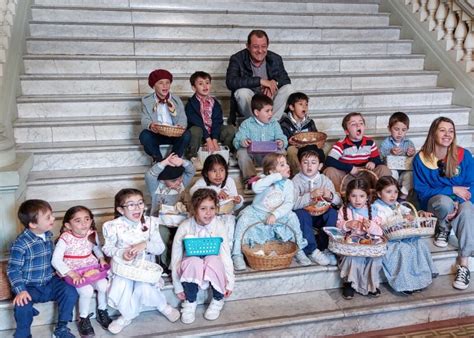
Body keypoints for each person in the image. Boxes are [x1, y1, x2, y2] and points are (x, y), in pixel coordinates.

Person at [102, 188, 180, 334]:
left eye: (140, 203)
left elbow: (159, 248)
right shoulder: (112, 226)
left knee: (143, 286)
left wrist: (145, 245)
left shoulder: (150, 223)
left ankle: (163, 306)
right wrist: (121, 252)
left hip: (145, 267)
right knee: (124, 285)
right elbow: (107, 248)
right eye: (131, 205)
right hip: (123, 266)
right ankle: (126, 315)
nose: (137, 208)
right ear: (120, 209)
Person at [413, 116, 474, 290]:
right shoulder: (421, 159)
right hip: (434, 204)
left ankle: (464, 264)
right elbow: (422, 191)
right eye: (442, 130)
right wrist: (452, 190)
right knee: (444, 201)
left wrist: (459, 201)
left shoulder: (464, 155)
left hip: (463, 200)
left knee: (468, 209)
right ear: (433, 132)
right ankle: (443, 225)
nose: (447, 134)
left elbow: (472, 184)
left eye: (451, 131)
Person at [7, 199, 78, 338]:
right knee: (22, 304)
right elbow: (13, 269)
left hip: (49, 281)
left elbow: (53, 258)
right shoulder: (21, 244)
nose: (53, 218)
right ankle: (23, 333)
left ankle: (61, 328)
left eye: (51, 215)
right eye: (48, 217)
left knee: (70, 291)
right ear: (33, 224)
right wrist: (20, 290)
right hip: (30, 286)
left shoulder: (48, 235)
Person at [232, 153, 311, 271]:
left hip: (277, 215)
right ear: (271, 171)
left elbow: (289, 203)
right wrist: (277, 176)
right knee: (243, 220)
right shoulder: (262, 179)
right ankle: (237, 254)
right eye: (282, 165)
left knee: (293, 217)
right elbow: (256, 188)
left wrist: (276, 214)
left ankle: (299, 249)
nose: (287, 166)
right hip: (257, 213)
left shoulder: (288, 184)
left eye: (287, 163)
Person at [171, 188, 234, 324]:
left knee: (214, 260)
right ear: (194, 209)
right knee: (192, 261)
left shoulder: (219, 225)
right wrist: (178, 286)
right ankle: (190, 301)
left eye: (212, 208)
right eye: (203, 208)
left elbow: (225, 254)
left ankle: (218, 299)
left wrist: (230, 282)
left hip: (212, 263)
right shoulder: (185, 226)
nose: (208, 213)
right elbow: (176, 256)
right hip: (192, 263)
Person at [52, 206, 112, 337]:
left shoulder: (92, 233)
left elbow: (96, 249)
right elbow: (55, 260)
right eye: (77, 221)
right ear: (68, 225)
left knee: (103, 285)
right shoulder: (65, 238)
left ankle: (102, 310)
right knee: (87, 290)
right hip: (73, 269)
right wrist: (72, 273)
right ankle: (83, 318)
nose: (84, 223)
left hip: (90, 266)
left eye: (87, 219)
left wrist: (101, 258)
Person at [373, 176, 436, 294]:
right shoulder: (377, 207)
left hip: (400, 235)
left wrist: (414, 215)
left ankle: (418, 280)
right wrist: (400, 219)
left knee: (418, 243)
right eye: (388, 192)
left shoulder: (396, 204)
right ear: (379, 193)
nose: (393, 195)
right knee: (404, 249)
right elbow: (381, 224)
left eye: (396, 192)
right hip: (389, 238)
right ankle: (405, 283)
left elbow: (409, 212)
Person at [226, 29, 294, 122]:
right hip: (252, 101)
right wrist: (260, 81)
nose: (260, 50)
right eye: (255, 47)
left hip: (269, 100)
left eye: (263, 46)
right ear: (248, 46)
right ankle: (256, 124)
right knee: (242, 93)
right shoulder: (237, 59)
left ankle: (272, 123)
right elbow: (231, 82)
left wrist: (273, 83)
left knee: (288, 89)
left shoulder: (275, 58)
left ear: (267, 46)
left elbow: (286, 79)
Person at [144, 152, 195, 268]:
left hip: (178, 220)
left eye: (179, 178)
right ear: (162, 180)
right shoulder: (156, 187)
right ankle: (163, 262)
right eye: (173, 181)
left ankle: (178, 262)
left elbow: (191, 170)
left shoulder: (181, 185)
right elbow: (149, 176)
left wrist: (182, 162)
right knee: (163, 235)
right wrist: (163, 163)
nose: (178, 182)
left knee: (183, 235)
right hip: (160, 221)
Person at [292, 145, 340, 266]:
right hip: (305, 216)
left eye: (313, 163)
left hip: (321, 214)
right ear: (299, 164)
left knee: (332, 213)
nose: (309, 166)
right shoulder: (296, 181)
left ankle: (327, 248)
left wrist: (330, 196)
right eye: (305, 162)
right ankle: (312, 250)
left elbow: (339, 202)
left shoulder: (324, 180)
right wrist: (310, 196)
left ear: (319, 166)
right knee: (300, 214)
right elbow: (292, 204)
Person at [336, 179, 384, 300]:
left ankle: (370, 284)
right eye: (353, 196)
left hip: (368, 244)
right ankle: (349, 283)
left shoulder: (372, 211)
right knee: (353, 257)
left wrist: (371, 226)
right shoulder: (344, 210)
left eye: (361, 196)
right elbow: (338, 228)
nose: (357, 200)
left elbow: (380, 232)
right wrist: (347, 224)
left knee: (375, 258)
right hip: (351, 245)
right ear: (348, 197)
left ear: (367, 197)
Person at [324, 112, 391, 192]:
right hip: (347, 176)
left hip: (366, 175)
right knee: (330, 171)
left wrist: (373, 162)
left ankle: (382, 195)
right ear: (347, 131)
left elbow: (377, 160)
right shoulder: (341, 144)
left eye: (361, 123)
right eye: (353, 124)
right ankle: (338, 198)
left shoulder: (370, 142)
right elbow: (329, 161)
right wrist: (349, 168)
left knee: (383, 169)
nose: (358, 126)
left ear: (364, 127)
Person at [190, 154, 243, 249]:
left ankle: (228, 250)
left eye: (222, 170)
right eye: (214, 171)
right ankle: (210, 249)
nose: (218, 175)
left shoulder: (229, 181)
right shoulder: (203, 182)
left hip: (227, 215)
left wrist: (238, 201)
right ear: (206, 173)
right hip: (208, 216)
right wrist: (216, 190)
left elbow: (234, 206)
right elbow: (193, 191)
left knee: (229, 224)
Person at [232, 93, 287, 185]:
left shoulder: (274, 123)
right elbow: (237, 140)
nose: (271, 113)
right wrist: (243, 142)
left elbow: (282, 137)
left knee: (281, 151)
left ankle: (279, 178)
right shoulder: (247, 124)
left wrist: (281, 141)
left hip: (270, 157)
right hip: (253, 157)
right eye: (267, 111)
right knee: (242, 152)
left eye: (271, 110)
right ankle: (251, 180)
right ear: (257, 112)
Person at [185, 71, 236, 166]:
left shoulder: (214, 103)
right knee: (195, 130)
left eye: (207, 83)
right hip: (200, 135)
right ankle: (192, 156)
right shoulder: (191, 104)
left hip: (213, 133)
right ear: (193, 87)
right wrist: (208, 140)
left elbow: (217, 122)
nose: (205, 86)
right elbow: (197, 122)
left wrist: (215, 140)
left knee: (230, 129)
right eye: (200, 84)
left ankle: (229, 154)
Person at [139, 68, 191, 162]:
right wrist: (150, 125)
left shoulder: (176, 100)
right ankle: (158, 160)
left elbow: (183, 118)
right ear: (154, 85)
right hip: (157, 133)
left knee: (186, 135)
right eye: (161, 83)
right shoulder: (147, 100)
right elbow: (144, 119)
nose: (165, 86)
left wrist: (180, 126)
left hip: (173, 133)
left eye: (167, 82)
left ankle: (173, 159)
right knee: (144, 135)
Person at [379, 112, 416, 199]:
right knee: (392, 172)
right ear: (389, 128)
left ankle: (403, 195)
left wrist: (411, 153)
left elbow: (412, 159)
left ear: (407, 130)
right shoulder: (386, 143)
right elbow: (380, 157)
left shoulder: (409, 143)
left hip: (404, 171)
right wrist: (390, 152)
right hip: (392, 171)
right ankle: (393, 193)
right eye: (396, 129)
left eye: (403, 130)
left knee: (411, 175)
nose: (400, 133)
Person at [279, 92, 318, 175]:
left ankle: (317, 173)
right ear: (292, 107)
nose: (304, 107)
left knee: (326, 146)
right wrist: (290, 141)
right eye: (300, 104)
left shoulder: (310, 122)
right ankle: (299, 174)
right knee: (291, 150)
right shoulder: (285, 122)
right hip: (295, 148)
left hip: (308, 147)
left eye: (306, 104)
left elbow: (316, 136)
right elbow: (283, 140)